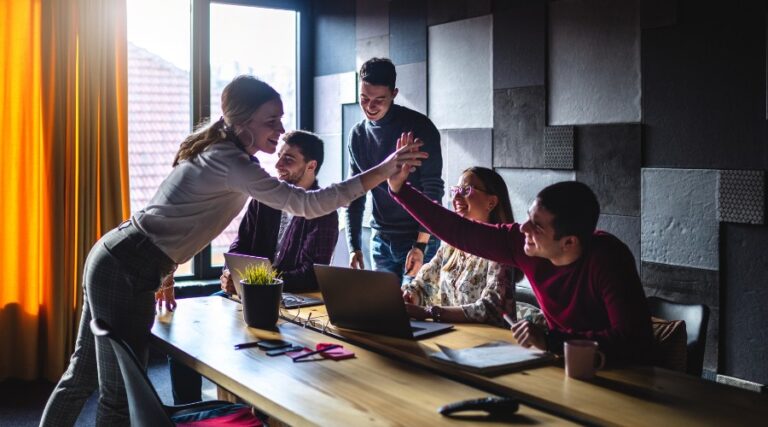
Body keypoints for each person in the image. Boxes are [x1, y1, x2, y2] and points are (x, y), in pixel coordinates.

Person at [40, 75, 428, 427]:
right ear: (243, 121)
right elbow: (309, 204)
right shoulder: (232, 161)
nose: (280, 129)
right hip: (128, 265)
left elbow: (170, 208)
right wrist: (383, 169)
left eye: (280, 119)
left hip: (119, 254)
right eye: (271, 121)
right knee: (118, 395)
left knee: (83, 376)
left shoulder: (219, 151)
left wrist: (167, 272)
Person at [387, 136, 653, 365]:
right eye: (528, 217)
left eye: (537, 226)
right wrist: (400, 189)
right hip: (560, 362)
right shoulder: (522, 244)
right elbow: (459, 231)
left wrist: (551, 340)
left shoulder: (608, 259)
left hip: (620, 371)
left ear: (569, 242)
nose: (523, 228)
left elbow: (634, 340)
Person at [345, 57, 444, 283]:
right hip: (380, 238)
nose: (370, 106)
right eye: (364, 98)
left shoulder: (419, 127)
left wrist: (421, 244)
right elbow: (355, 193)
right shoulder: (357, 135)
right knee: (384, 312)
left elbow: (433, 191)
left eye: (379, 99)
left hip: (419, 237)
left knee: (416, 311)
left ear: (394, 93)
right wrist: (354, 246)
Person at [401, 167, 524, 327]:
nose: (456, 197)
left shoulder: (499, 249)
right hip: (451, 336)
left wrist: (431, 312)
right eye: (456, 190)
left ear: (491, 202)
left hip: (487, 344)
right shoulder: (451, 245)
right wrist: (409, 296)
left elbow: (492, 308)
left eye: (466, 190)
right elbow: (425, 286)